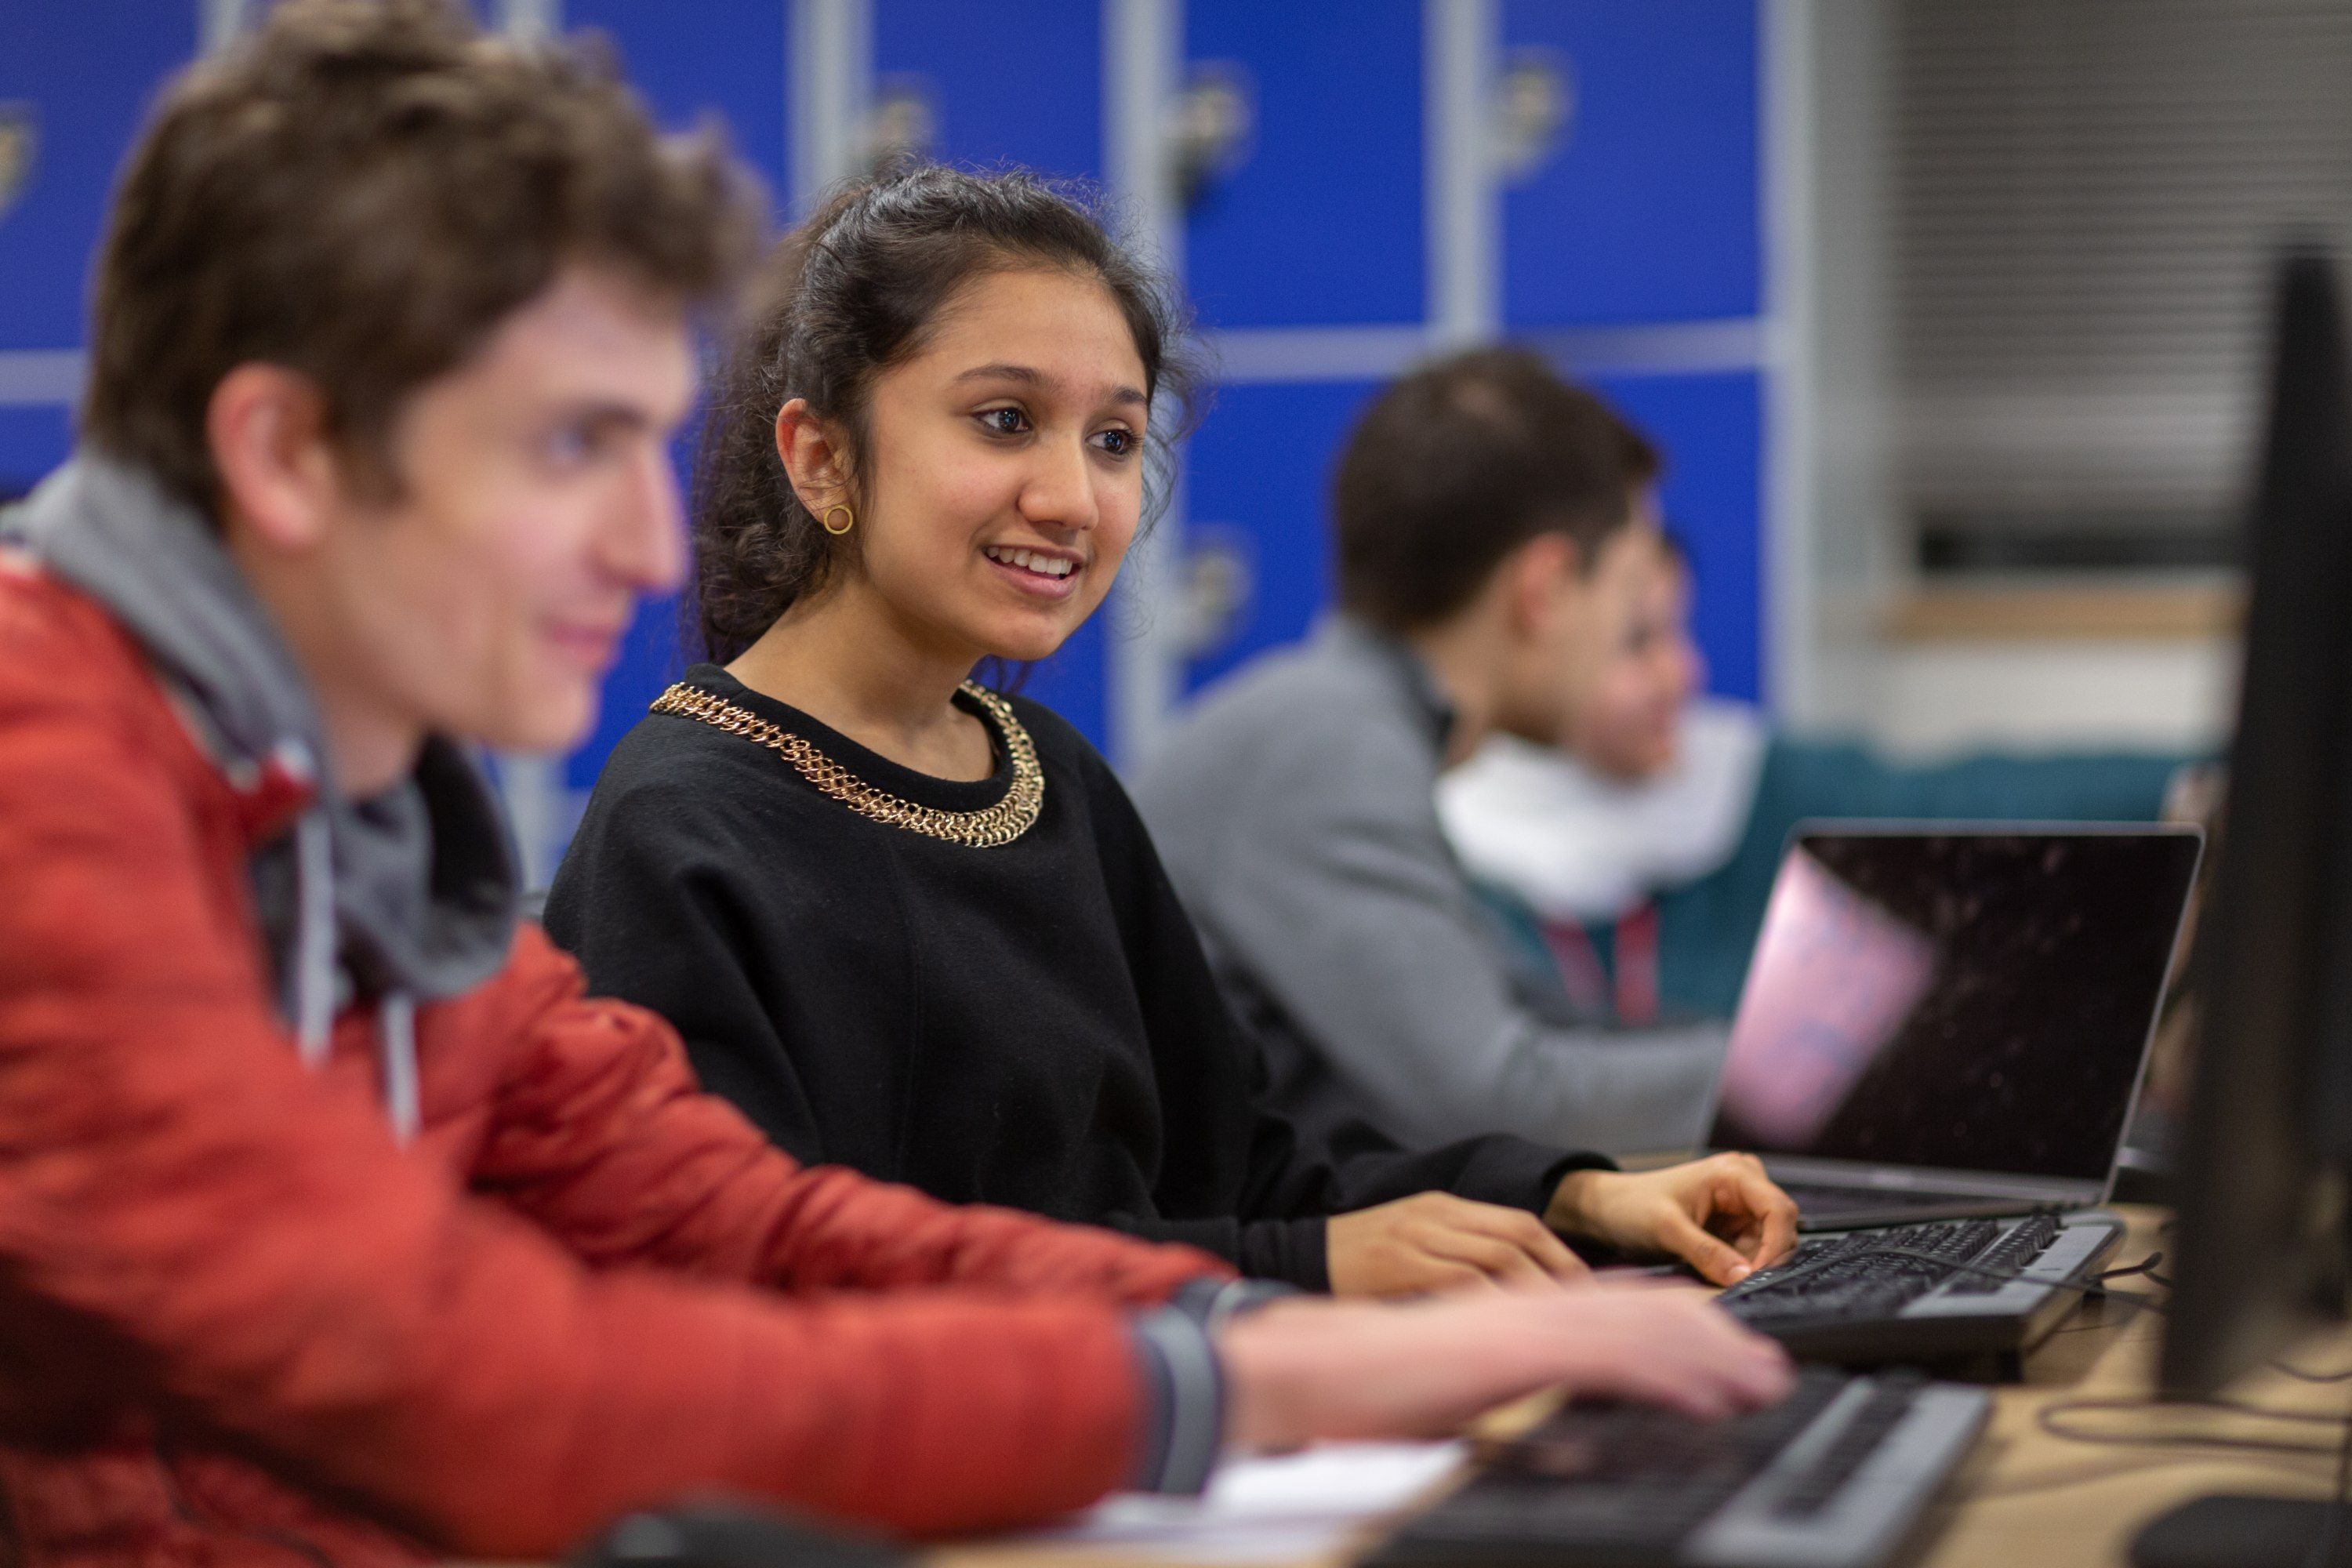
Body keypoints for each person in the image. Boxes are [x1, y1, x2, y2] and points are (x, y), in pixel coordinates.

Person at [0, 8, 1795, 1566]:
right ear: (290, 451)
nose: (646, 547)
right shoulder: (47, 782)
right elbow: (491, 1374)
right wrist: (1257, 1351)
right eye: (570, 443)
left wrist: (1277, 1329)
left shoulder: (363, 814)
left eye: (1110, 439)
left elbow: (745, 1222)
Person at [544, 165, 1797, 1299]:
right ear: (822, 458)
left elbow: (1246, 1168)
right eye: (1001, 420)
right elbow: (794, 1285)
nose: (1071, 497)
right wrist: (1296, 1264)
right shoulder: (684, 830)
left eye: (1114, 440)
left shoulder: (1048, 780)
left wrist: (1572, 1198)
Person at [1131, 352, 1730, 1158]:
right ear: (1545, 590)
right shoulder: (1325, 744)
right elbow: (1494, 1098)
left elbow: (1540, 1017)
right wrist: (1798, 1083)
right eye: (1628, 604)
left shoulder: (1357, 726)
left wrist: (1772, 1049)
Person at [1439, 529, 2195, 1022]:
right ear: (1539, 633)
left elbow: (1968, 798)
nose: (1683, 672)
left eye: (1679, 632)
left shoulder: (1747, 782)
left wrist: (2197, 782)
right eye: (1636, 642)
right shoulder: (1444, 850)